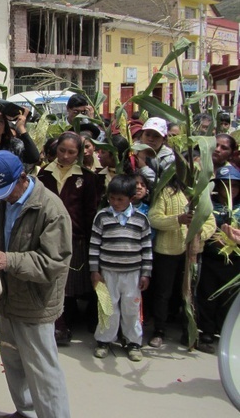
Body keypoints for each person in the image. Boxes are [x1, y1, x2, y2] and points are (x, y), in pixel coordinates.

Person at [0, 151, 72, 418]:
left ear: (23, 177)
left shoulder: (50, 209)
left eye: (7, 190)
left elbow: (54, 262)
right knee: (13, 362)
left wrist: (9, 260)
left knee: (43, 371)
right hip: (7, 299)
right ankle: (26, 411)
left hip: (35, 303)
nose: (3, 197)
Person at [37, 131, 99, 344]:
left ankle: (69, 322)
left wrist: (90, 239)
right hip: (48, 236)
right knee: (53, 283)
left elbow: (90, 211)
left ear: (78, 154)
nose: (65, 156)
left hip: (75, 237)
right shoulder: (44, 174)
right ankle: (59, 326)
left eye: (71, 152)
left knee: (70, 285)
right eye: (62, 150)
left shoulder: (87, 178)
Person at [89, 175, 153, 361]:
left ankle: (133, 342)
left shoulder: (141, 220)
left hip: (133, 274)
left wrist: (146, 273)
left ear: (131, 198)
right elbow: (94, 245)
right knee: (107, 307)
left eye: (120, 199)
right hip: (107, 273)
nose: (115, 203)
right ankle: (104, 340)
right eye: (112, 198)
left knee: (131, 308)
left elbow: (147, 247)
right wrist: (95, 270)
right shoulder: (102, 217)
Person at [147, 178, 216, 348]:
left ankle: (189, 332)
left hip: (191, 252)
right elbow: (154, 218)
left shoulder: (200, 194)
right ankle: (159, 331)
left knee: (190, 293)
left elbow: (211, 222)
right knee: (163, 293)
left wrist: (199, 231)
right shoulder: (167, 192)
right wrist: (177, 219)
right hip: (168, 251)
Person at [196, 165, 240, 354]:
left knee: (228, 297)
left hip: (235, 260)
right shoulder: (209, 204)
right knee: (208, 294)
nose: (229, 189)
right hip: (211, 258)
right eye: (224, 185)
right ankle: (206, 330)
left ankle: (224, 330)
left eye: (235, 185)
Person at [136, 117, 175, 185]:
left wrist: (143, 167)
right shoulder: (133, 150)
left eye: (156, 136)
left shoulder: (169, 159)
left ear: (164, 139)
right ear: (141, 135)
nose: (150, 139)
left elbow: (163, 186)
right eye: (147, 135)